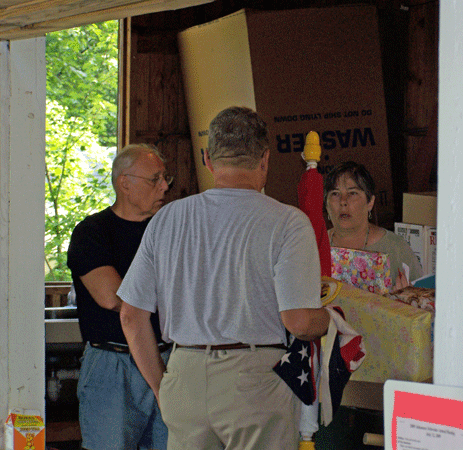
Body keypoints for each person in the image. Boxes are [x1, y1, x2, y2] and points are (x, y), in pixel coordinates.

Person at [117, 106, 330, 450]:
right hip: (254, 380)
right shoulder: (287, 223)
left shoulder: (167, 219)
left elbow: (130, 315)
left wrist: (163, 388)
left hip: (183, 373)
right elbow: (301, 322)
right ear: (264, 159)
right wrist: (329, 317)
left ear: (208, 159)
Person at [67, 143, 173, 450]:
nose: (164, 186)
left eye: (166, 178)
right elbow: (112, 297)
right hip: (112, 365)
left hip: (169, 357)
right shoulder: (92, 232)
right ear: (124, 182)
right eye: (155, 178)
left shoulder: (168, 230)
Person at [324, 161, 423, 287]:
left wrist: (406, 298)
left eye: (352, 193)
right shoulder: (313, 247)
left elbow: (423, 297)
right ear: (326, 205)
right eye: (335, 194)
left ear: (370, 202)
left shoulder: (396, 248)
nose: (343, 201)